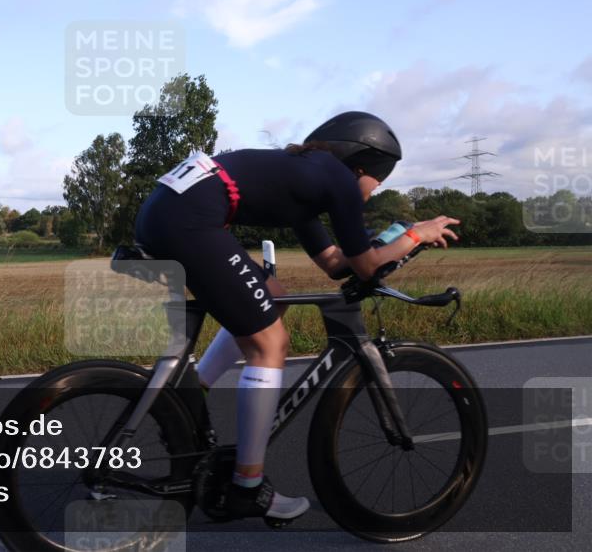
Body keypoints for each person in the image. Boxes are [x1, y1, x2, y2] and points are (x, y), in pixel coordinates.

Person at [133, 111, 460, 521]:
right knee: (271, 344)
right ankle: (247, 487)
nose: (374, 193)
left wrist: (391, 244)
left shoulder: (308, 180)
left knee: (275, 297)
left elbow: (335, 263)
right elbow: (364, 268)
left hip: (167, 214)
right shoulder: (338, 179)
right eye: (378, 182)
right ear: (361, 165)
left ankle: (192, 392)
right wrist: (416, 234)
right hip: (189, 222)